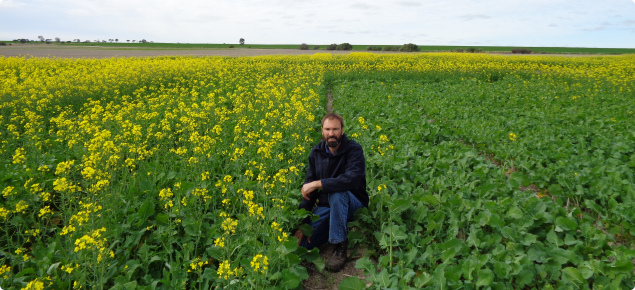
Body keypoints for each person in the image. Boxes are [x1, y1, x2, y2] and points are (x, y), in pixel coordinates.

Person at [294, 113, 368, 272]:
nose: (331, 133)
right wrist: (304, 223)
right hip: (327, 206)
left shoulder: (354, 150)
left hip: (353, 202)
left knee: (337, 192)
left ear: (342, 130)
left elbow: (352, 180)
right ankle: (335, 228)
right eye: (327, 129)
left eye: (335, 129)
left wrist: (318, 183)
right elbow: (310, 194)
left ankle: (340, 245)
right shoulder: (316, 153)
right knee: (304, 244)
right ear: (322, 131)